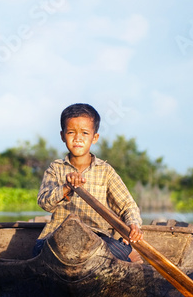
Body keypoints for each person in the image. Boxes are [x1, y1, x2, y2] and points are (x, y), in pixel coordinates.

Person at [33, 103, 143, 261]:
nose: (77, 138)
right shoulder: (55, 168)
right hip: (57, 235)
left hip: (97, 238)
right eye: (71, 132)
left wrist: (133, 225)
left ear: (95, 137)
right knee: (39, 250)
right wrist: (65, 188)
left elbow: (127, 206)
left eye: (85, 133)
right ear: (63, 135)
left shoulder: (105, 171)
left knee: (121, 250)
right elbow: (45, 203)